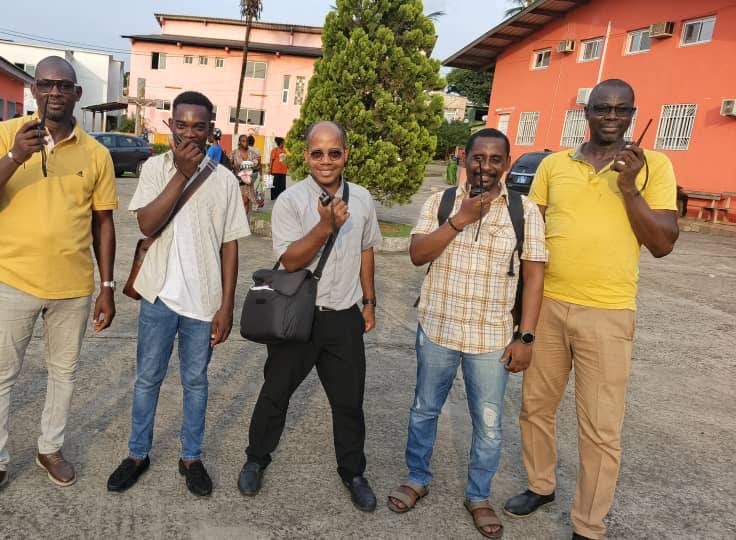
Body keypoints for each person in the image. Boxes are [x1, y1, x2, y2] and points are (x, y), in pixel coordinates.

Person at [502, 79, 679, 540]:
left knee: (600, 426)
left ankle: (588, 523)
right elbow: (531, 244)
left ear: (633, 114)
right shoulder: (554, 166)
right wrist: (521, 316)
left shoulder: (654, 167)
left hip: (609, 312)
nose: (611, 116)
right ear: (588, 111)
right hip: (549, 306)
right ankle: (541, 484)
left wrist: (629, 187)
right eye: (603, 107)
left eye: (621, 109)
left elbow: (661, 244)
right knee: (535, 407)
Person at [0, 56, 119, 512]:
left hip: (73, 288)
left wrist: (106, 285)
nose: (55, 93)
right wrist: (15, 157)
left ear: (77, 94)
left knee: (63, 375)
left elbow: (103, 223)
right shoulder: (3, 136)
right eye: (46, 84)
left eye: (64, 86)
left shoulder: (96, 154)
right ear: (33, 89)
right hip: (12, 281)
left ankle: (50, 448)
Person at [390, 128, 547, 539]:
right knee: (425, 409)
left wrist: (525, 337)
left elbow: (534, 278)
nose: (486, 167)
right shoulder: (440, 202)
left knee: (489, 423)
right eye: (479, 158)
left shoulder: (525, 211)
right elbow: (417, 254)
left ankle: (478, 495)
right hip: (438, 327)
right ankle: (417, 477)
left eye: (496, 159)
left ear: (507, 164)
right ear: (465, 159)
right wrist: (460, 219)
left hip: (492, 337)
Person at [107, 91, 250, 497]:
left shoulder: (224, 181)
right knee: (147, 379)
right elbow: (148, 225)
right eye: (181, 124)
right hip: (158, 297)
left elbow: (231, 246)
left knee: (196, 382)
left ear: (211, 129)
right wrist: (181, 175)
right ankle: (138, 454)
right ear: (171, 125)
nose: (189, 133)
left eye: (198, 126)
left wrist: (227, 306)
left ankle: (191, 457)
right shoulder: (154, 169)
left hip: (204, 301)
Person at [238, 121, 382, 512]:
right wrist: (324, 227)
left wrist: (369, 301)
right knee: (275, 394)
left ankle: (353, 472)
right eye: (317, 153)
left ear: (345, 154)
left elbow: (367, 250)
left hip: (344, 317)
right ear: (306, 156)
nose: (326, 160)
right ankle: (256, 458)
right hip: (297, 317)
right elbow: (289, 260)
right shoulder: (291, 201)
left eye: (334, 152)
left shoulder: (364, 199)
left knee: (349, 402)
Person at [231, 134, 261, 215]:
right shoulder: (234, 153)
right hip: (238, 181)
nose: (246, 143)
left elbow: (258, 165)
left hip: (248, 181)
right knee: (238, 202)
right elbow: (230, 165)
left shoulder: (252, 154)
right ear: (239, 142)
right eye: (243, 141)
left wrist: (252, 167)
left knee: (246, 201)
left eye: (247, 141)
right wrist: (235, 168)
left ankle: (244, 221)